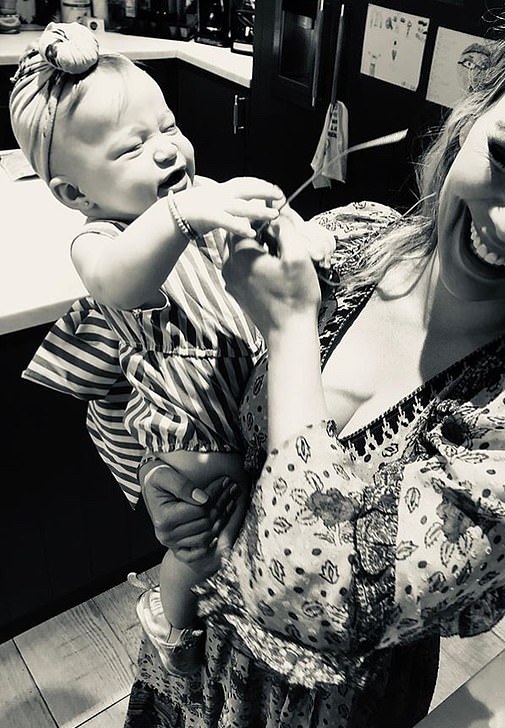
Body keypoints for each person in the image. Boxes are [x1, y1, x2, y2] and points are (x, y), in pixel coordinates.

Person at [18, 0, 505, 728]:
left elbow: (312, 595)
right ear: (471, 119)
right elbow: (202, 386)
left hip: (326, 727)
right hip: (205, 651)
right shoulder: (355, 240)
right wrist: (170, 479)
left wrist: (287, 328)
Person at [8, 22, 309, 677]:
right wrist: (179, 217)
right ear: (76, 194)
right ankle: (171, 622)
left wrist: (283, 226)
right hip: (184, 421)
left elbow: (253, 245)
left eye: (168, 126)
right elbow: (119, 283)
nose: (167, 148)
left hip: (234, 387)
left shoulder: (199, 204)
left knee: (244, 522)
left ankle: (229, 607)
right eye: (132, 147)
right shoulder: (101, 241)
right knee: (202, 542)